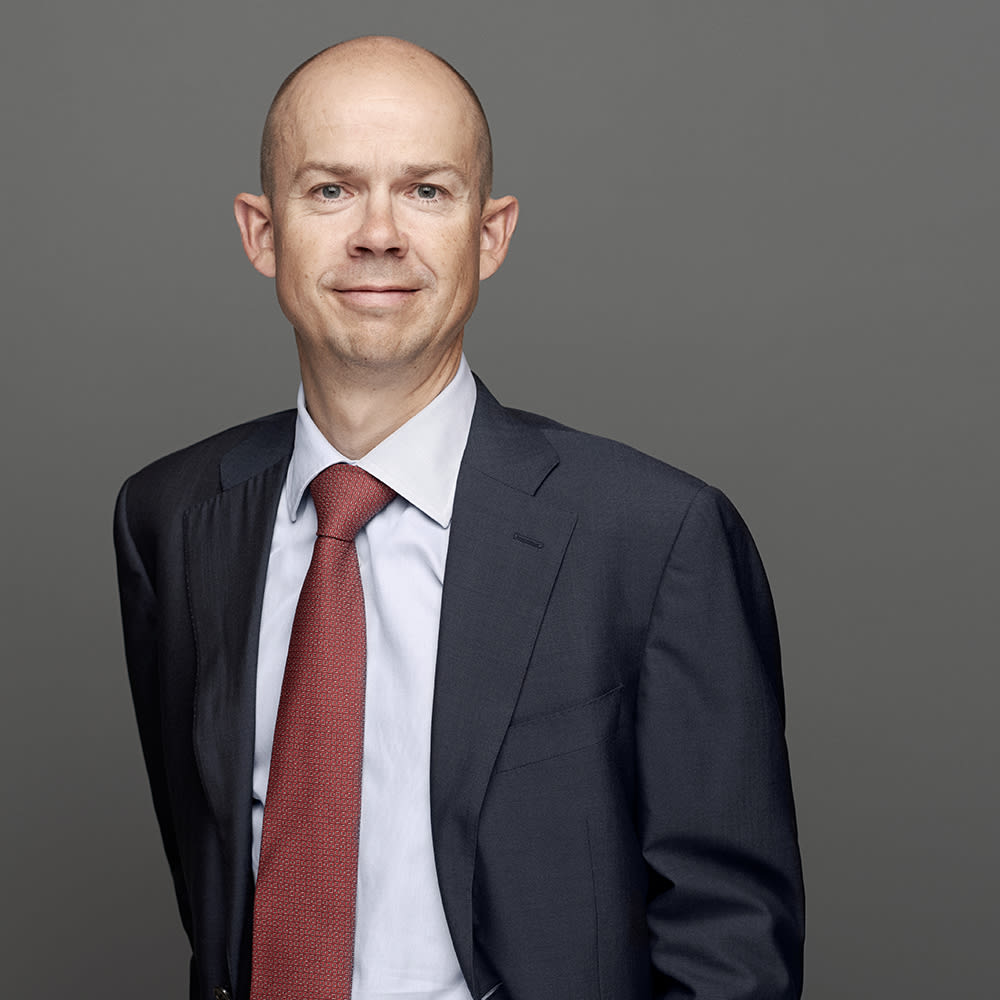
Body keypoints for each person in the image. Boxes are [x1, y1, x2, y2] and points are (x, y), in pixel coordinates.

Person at [114, 35, 804, 1000]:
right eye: (331, 190)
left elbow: (732, 944)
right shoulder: (172, 518)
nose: (379, 234)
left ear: (491, 234)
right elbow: (212, 879)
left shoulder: (656, 538)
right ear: (261, 232)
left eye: (427, 191)